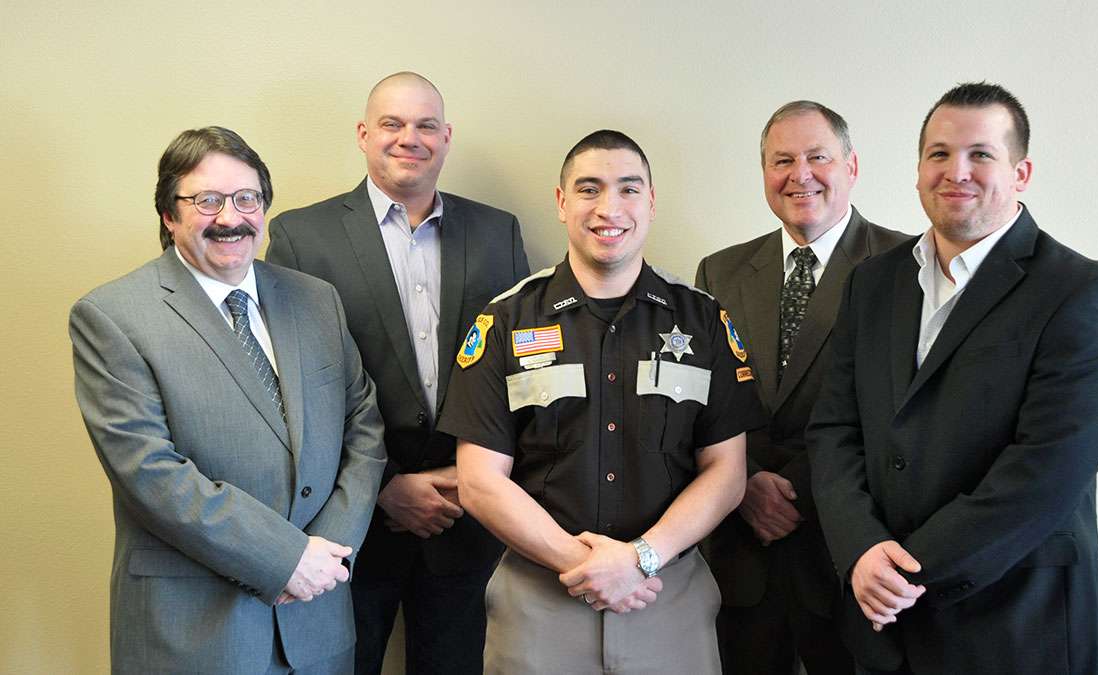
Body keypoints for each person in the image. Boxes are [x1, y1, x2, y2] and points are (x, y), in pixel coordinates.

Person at [808, 82, 1098, 674]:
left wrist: (903, 573)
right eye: (938, 154)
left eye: (980, 154)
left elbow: (1046, 470)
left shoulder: (1083, 294)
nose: (955, 171)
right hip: (882, 634)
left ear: (1021, 172)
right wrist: (859, 549)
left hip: (1018, 630)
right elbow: (834, 429)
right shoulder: (873, 283)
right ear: (918, 170)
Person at [437, 130, 764, 674]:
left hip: (668, 597)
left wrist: (640, 559)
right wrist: (587, 566)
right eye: (589, 189)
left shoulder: (703, 319)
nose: (609, 208)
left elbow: (727, 472)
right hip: (539, 597)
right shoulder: (505, 320)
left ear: (651, 203)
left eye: (628, 189)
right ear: (562, 202)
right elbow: (478, 481)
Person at [70, 126, 386, 674]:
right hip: (194, 631)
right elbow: (150, 474)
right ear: (169, 215)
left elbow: (364, 428)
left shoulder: (316, 301)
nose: (230, 218)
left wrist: (327, 553)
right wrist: (284, 559)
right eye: (207, 201)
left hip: (319, 618)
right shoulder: (112, 316)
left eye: (246, 199)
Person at [266, 71, 529, 674]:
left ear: (446, 137)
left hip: (470, 519)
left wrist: (475, 478)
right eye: (392, 123)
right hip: (351, 527)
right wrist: (382, 485)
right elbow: (290, 389)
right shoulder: (302, 238)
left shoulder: (497, 232)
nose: (410, 138)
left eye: (426, 125)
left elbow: (523, 371)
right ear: (364, 134)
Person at [696, 101, 907, 674]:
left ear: (852, 165)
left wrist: (792, 490)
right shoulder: (720, 272)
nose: (800, 174)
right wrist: (744, 486)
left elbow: (902, 411)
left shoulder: (907, 263)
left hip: (850, 556)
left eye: (818, 156)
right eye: (781, 160)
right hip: (745, 555)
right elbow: (707, 404)